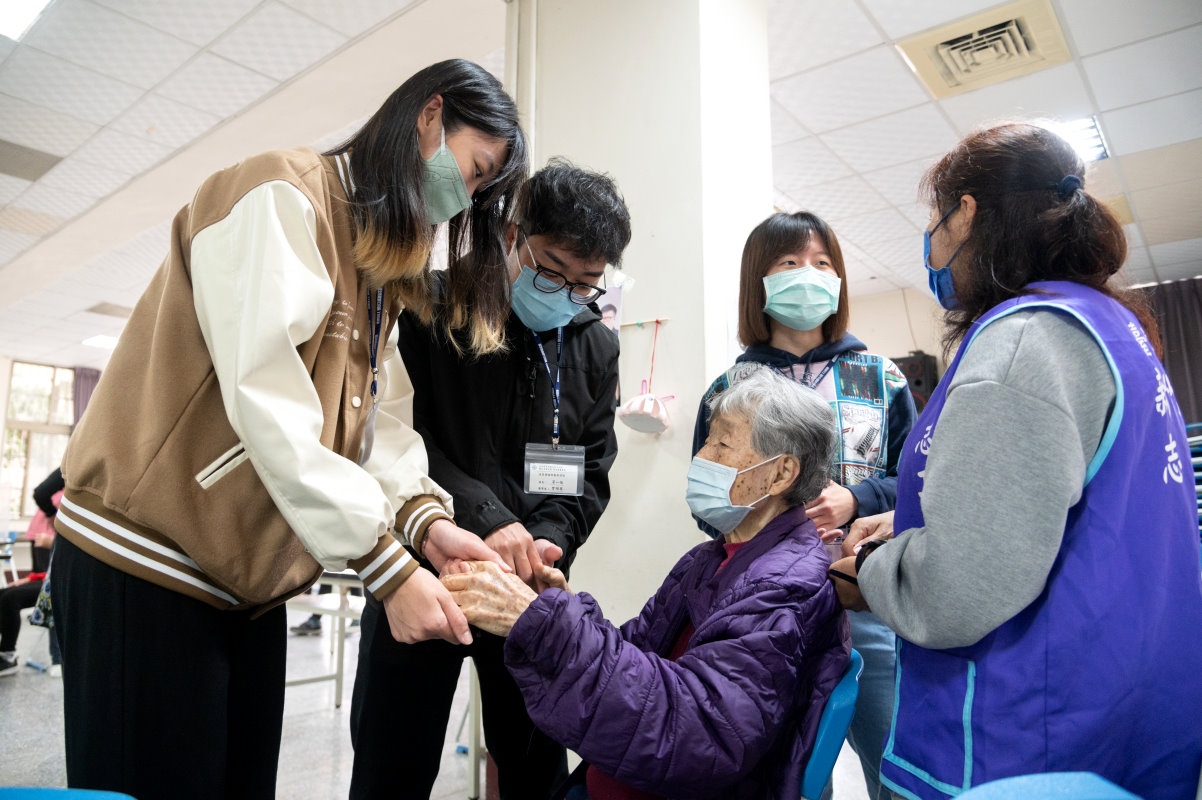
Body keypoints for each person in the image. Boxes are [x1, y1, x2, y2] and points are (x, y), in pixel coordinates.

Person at [50, 59, 526, 799]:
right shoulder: (281, 195)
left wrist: (425, 524)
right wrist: (386, 565)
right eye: (474, 171)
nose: (463, 198)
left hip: (244, 583)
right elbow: (266, 400)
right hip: (147, 564)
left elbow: (381, 422)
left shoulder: (376, 267)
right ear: (430, 115)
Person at [830, 122, 1202, 800]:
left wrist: (875, 574)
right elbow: (1063, 507)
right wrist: (914, 526)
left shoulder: (1022, 345)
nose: (933, 244)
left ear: (966, 212)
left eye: (935, 221)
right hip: (1124, 711)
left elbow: (956, 591)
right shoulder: (1108, 326)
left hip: (1025, 739)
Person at [349, 159, 631, 800]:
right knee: (392, 766)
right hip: (426, 572)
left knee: (535, 770)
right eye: (551, 269)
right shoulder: (426, 307)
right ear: (511, 236)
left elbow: (590, 468)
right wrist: (488, 521)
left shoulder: (593, 345)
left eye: (585, 283)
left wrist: (547, 541)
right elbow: (400, 440)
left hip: (529, 592)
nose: (565, 292)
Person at [444, 368, 850, 800]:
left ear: (781, 473)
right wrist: (560, 610)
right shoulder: (708, 559)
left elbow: (700, 731)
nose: (702, 455)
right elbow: (635, 654)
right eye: (708, 440)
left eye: (722, 443)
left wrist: (546, 624)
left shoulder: (786, 586)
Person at [692, 211, 916, 799]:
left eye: (822, 263)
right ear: (759, 281)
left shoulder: (881, 376)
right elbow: (705, 499)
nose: (808, 275)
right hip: (767, 611)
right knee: (782, 776)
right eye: (789, 263)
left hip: (867, 603)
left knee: (895, 763)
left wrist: (858, 498)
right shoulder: (729, 388)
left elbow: (917, 482)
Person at [0, 469, 63, 677]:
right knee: (7, 594)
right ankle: (7, 654)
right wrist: (30, 578)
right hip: (47, 560)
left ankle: (55, 658)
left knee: (16, 595)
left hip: (55, 564)